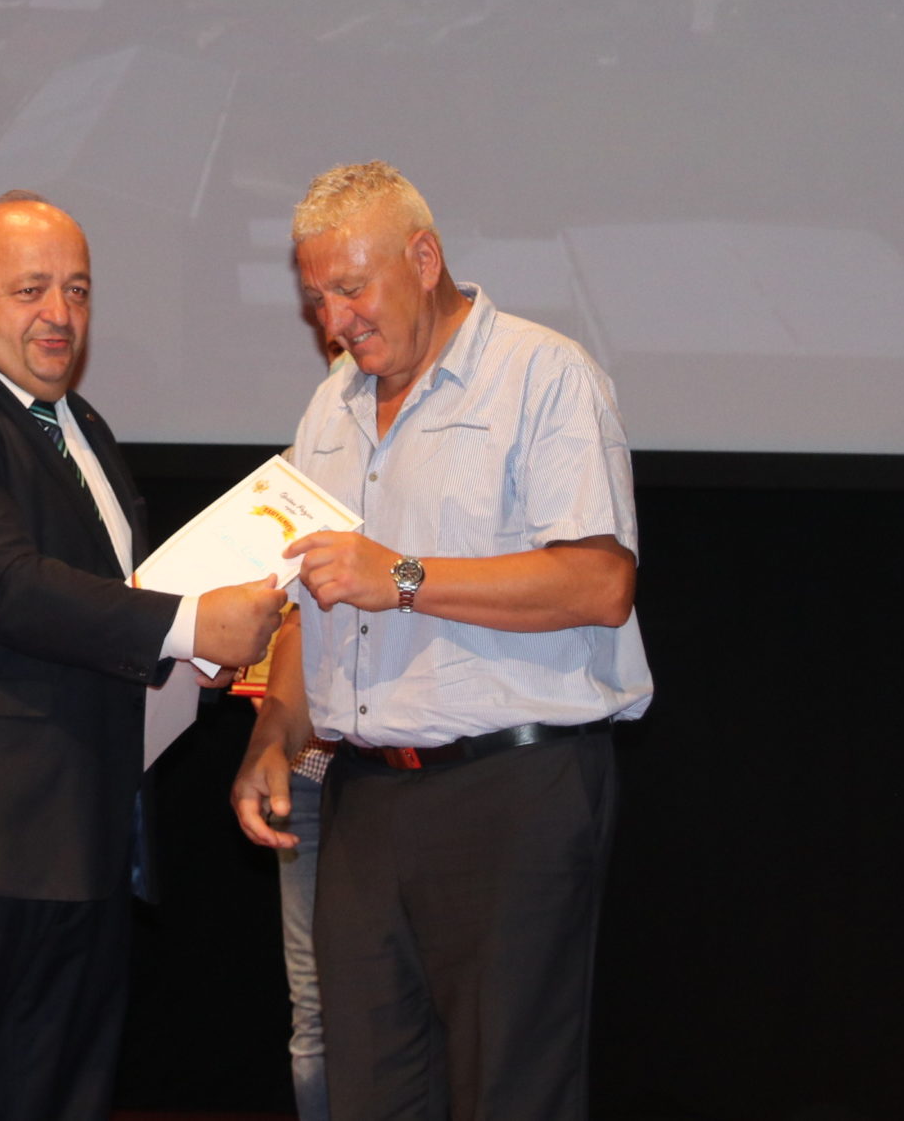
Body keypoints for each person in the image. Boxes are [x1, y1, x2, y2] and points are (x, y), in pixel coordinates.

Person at [0, 193, 287, 1121]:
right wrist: (190, 624)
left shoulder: (79, 425)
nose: (60, 314)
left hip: (74, 847)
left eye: (77, 289)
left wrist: (192, 660)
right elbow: (6, 585)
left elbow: (96, 608)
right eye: (30, 288)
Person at [231, 161, 650, 1121]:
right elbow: (312, 601)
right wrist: (273, 735)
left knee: (508, 1092)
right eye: (317, 298)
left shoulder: (545, 377)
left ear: (424, 259)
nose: (335, 321)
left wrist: (406, 576)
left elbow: (601, 583)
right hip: (364, 797)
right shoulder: (330, 407)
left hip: (511, 791)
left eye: (352, 289)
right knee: (369, 1094)